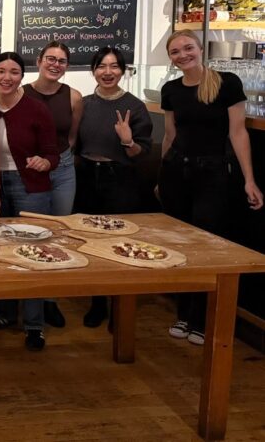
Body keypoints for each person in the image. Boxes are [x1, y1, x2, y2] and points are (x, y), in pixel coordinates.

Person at [159, 30, 263, 346]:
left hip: (213, 174)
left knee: (207, 244)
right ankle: (184, 312)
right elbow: (169, 135)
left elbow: (238, 134)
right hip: (177, 172)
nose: (183, 55)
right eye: (175, 51)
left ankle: (202, 318)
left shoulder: (227, 83)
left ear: (200, 49)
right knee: (181, 244)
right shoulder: (171, 89)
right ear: (171, 58)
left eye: (188, 48)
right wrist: (161, 177)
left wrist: (249, 179)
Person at [75, 47, 153, 328]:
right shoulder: (82, 104)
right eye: (101, 66)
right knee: (91, 241)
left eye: (114, 66)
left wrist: (128, 140)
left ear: (122, 70)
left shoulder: (135, 106)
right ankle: (97, 303)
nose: (108, 72)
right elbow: (74, 143)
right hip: (86, 178)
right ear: (93, 70)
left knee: (121, 242)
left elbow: (140, 154)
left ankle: (120, 306)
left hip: (120, 179)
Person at [0, 51, 59, 351]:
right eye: (0, 71)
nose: (6, 77)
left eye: (14, 72)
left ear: (22, 76)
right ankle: (4, 313)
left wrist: (45, 162)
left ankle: (34, 325)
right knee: (1, 251)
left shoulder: (36, 109)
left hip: (30, 186)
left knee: (33, 252)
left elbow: (53, 153)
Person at [22, 41, 83, 329]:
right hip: (30, 172)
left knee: (58, 234)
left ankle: (50, 300)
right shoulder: (22, 93)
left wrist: (58, 160)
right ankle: (25, 298)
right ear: (39, 61)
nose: (55, 64)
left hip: (62, 170)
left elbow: (71, 137)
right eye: (50, 58)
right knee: (32, 234)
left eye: (62, 61)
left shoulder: (74, 96)